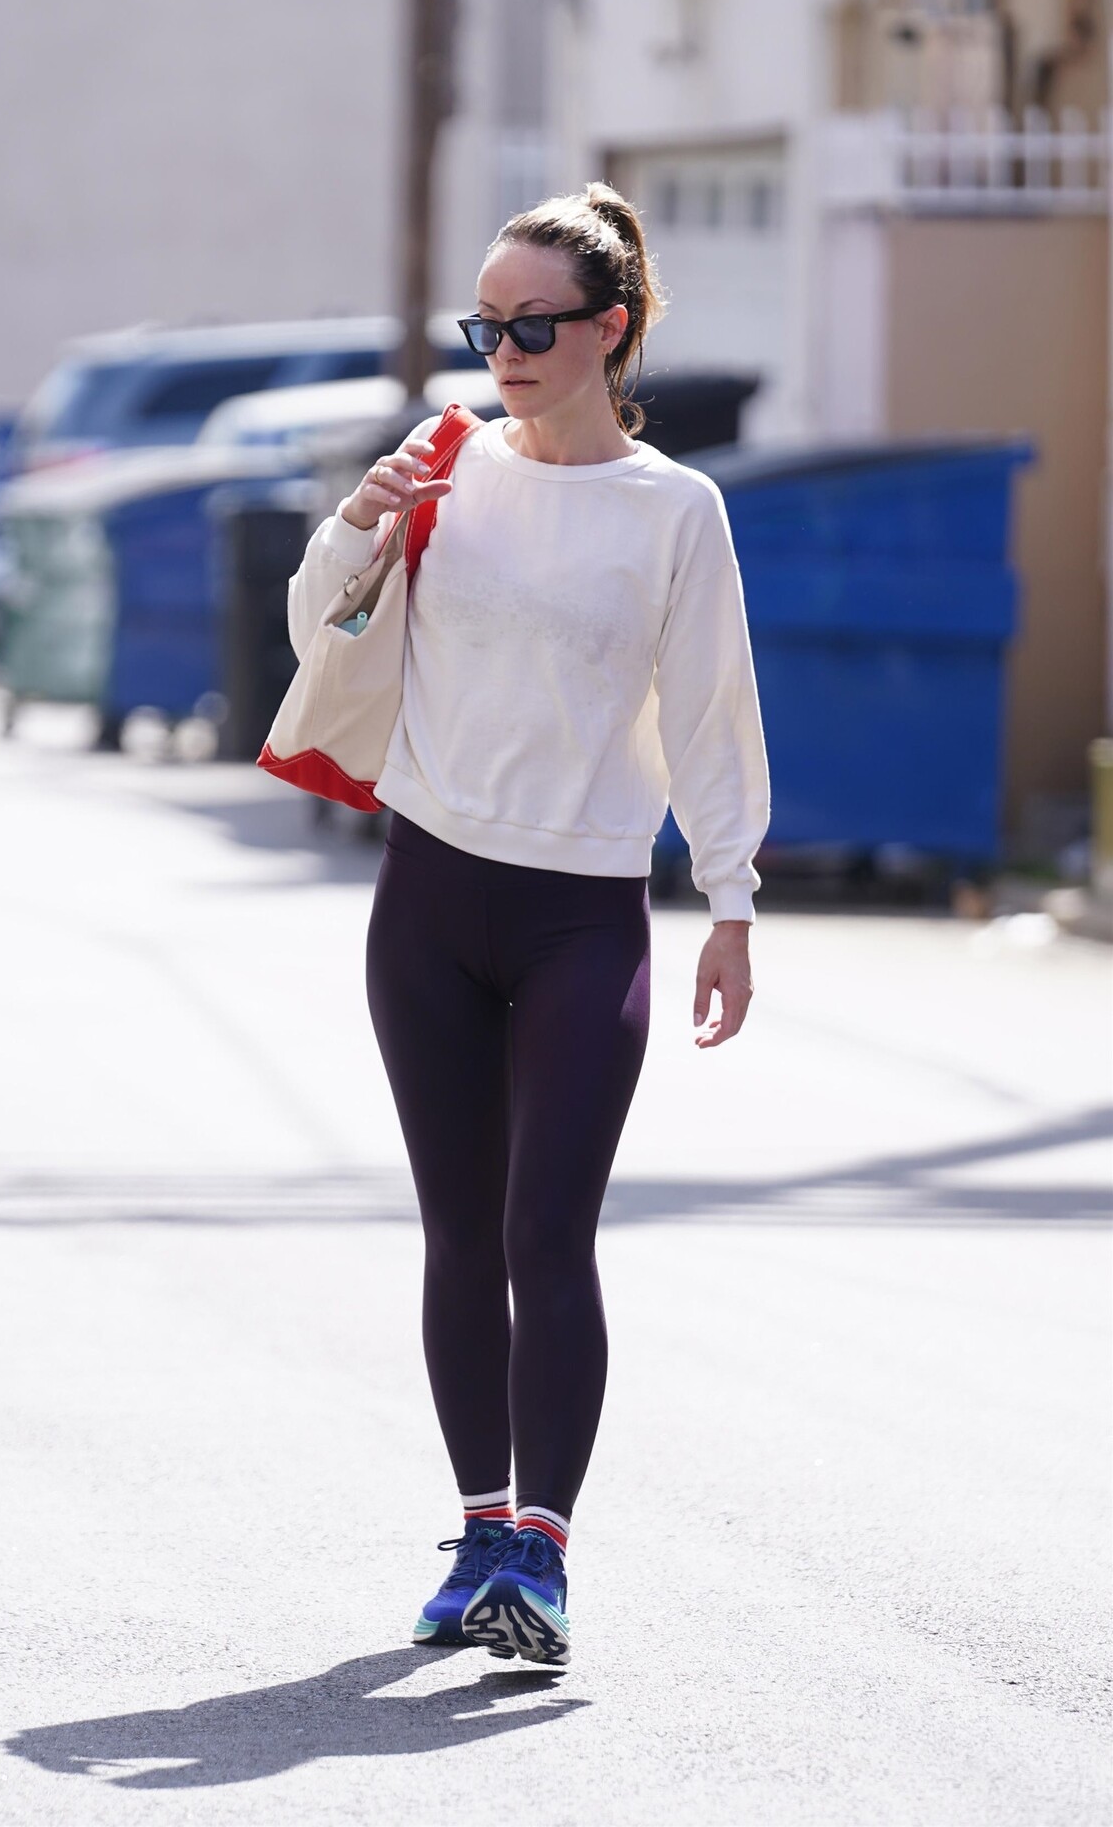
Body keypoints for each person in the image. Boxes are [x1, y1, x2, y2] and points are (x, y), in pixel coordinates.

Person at [287, 182, 771, 1667]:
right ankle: (481, 1532)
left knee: (545, 1230)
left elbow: (712, 713)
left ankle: (542, 1558)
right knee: (457, 1232)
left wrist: (730, 902)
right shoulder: (445, 462)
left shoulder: (675, 511)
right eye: (484, 325)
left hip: (583, 913)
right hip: (429, 894)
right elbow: (320, 633)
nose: (503, 351)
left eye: (533, 326)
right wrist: (358, 524)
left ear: (610, 330)